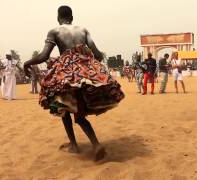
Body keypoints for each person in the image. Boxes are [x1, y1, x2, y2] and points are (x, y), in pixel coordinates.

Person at [23, 6, 124, 161]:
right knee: (79, 111)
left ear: (58, 17)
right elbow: (97, 54)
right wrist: (90, 68)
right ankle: (94, 144)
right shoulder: (83, 30)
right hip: (85, 72)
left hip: (66, 74)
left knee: (62, 107)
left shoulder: (55, 31)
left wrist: (27, 63)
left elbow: (44, 56)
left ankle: (77, 145)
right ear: (72, 16)